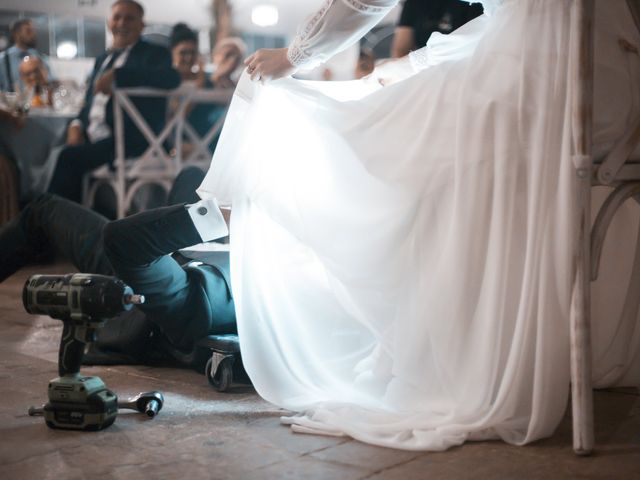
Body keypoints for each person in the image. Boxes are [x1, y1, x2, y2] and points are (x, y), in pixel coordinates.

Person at [196, 0, 640, 451]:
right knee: (419, 119)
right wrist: (416, 63)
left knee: (394, 136)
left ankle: (438, 352)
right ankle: (438, 340)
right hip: (615, 91)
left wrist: (295, 56)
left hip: (546, 82)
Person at [47, 0, 181, 204]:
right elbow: (88, 102)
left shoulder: (154, 54)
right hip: (95, 137)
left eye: (129, 18)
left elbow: (171, 78)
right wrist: (76, 124)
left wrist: (119, 75)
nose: (122, 23)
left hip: (130, 140)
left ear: (142, 25)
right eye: (117, 17)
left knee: (67, 158)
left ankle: (56, 223)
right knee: (52, 147)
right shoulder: (102, 59)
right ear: (109, 23)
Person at [391, 0, 483, 58]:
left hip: (463, 65)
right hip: (423, 72)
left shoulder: (476, 3)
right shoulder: (414, 3)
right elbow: (400, 51)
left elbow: (472, 44)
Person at [0, 18, 53, 92]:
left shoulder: (42, 59)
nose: (33, 35)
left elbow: (51, 84)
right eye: (28, 31)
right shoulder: (2, 60)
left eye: (34, 31)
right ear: (16, 34)